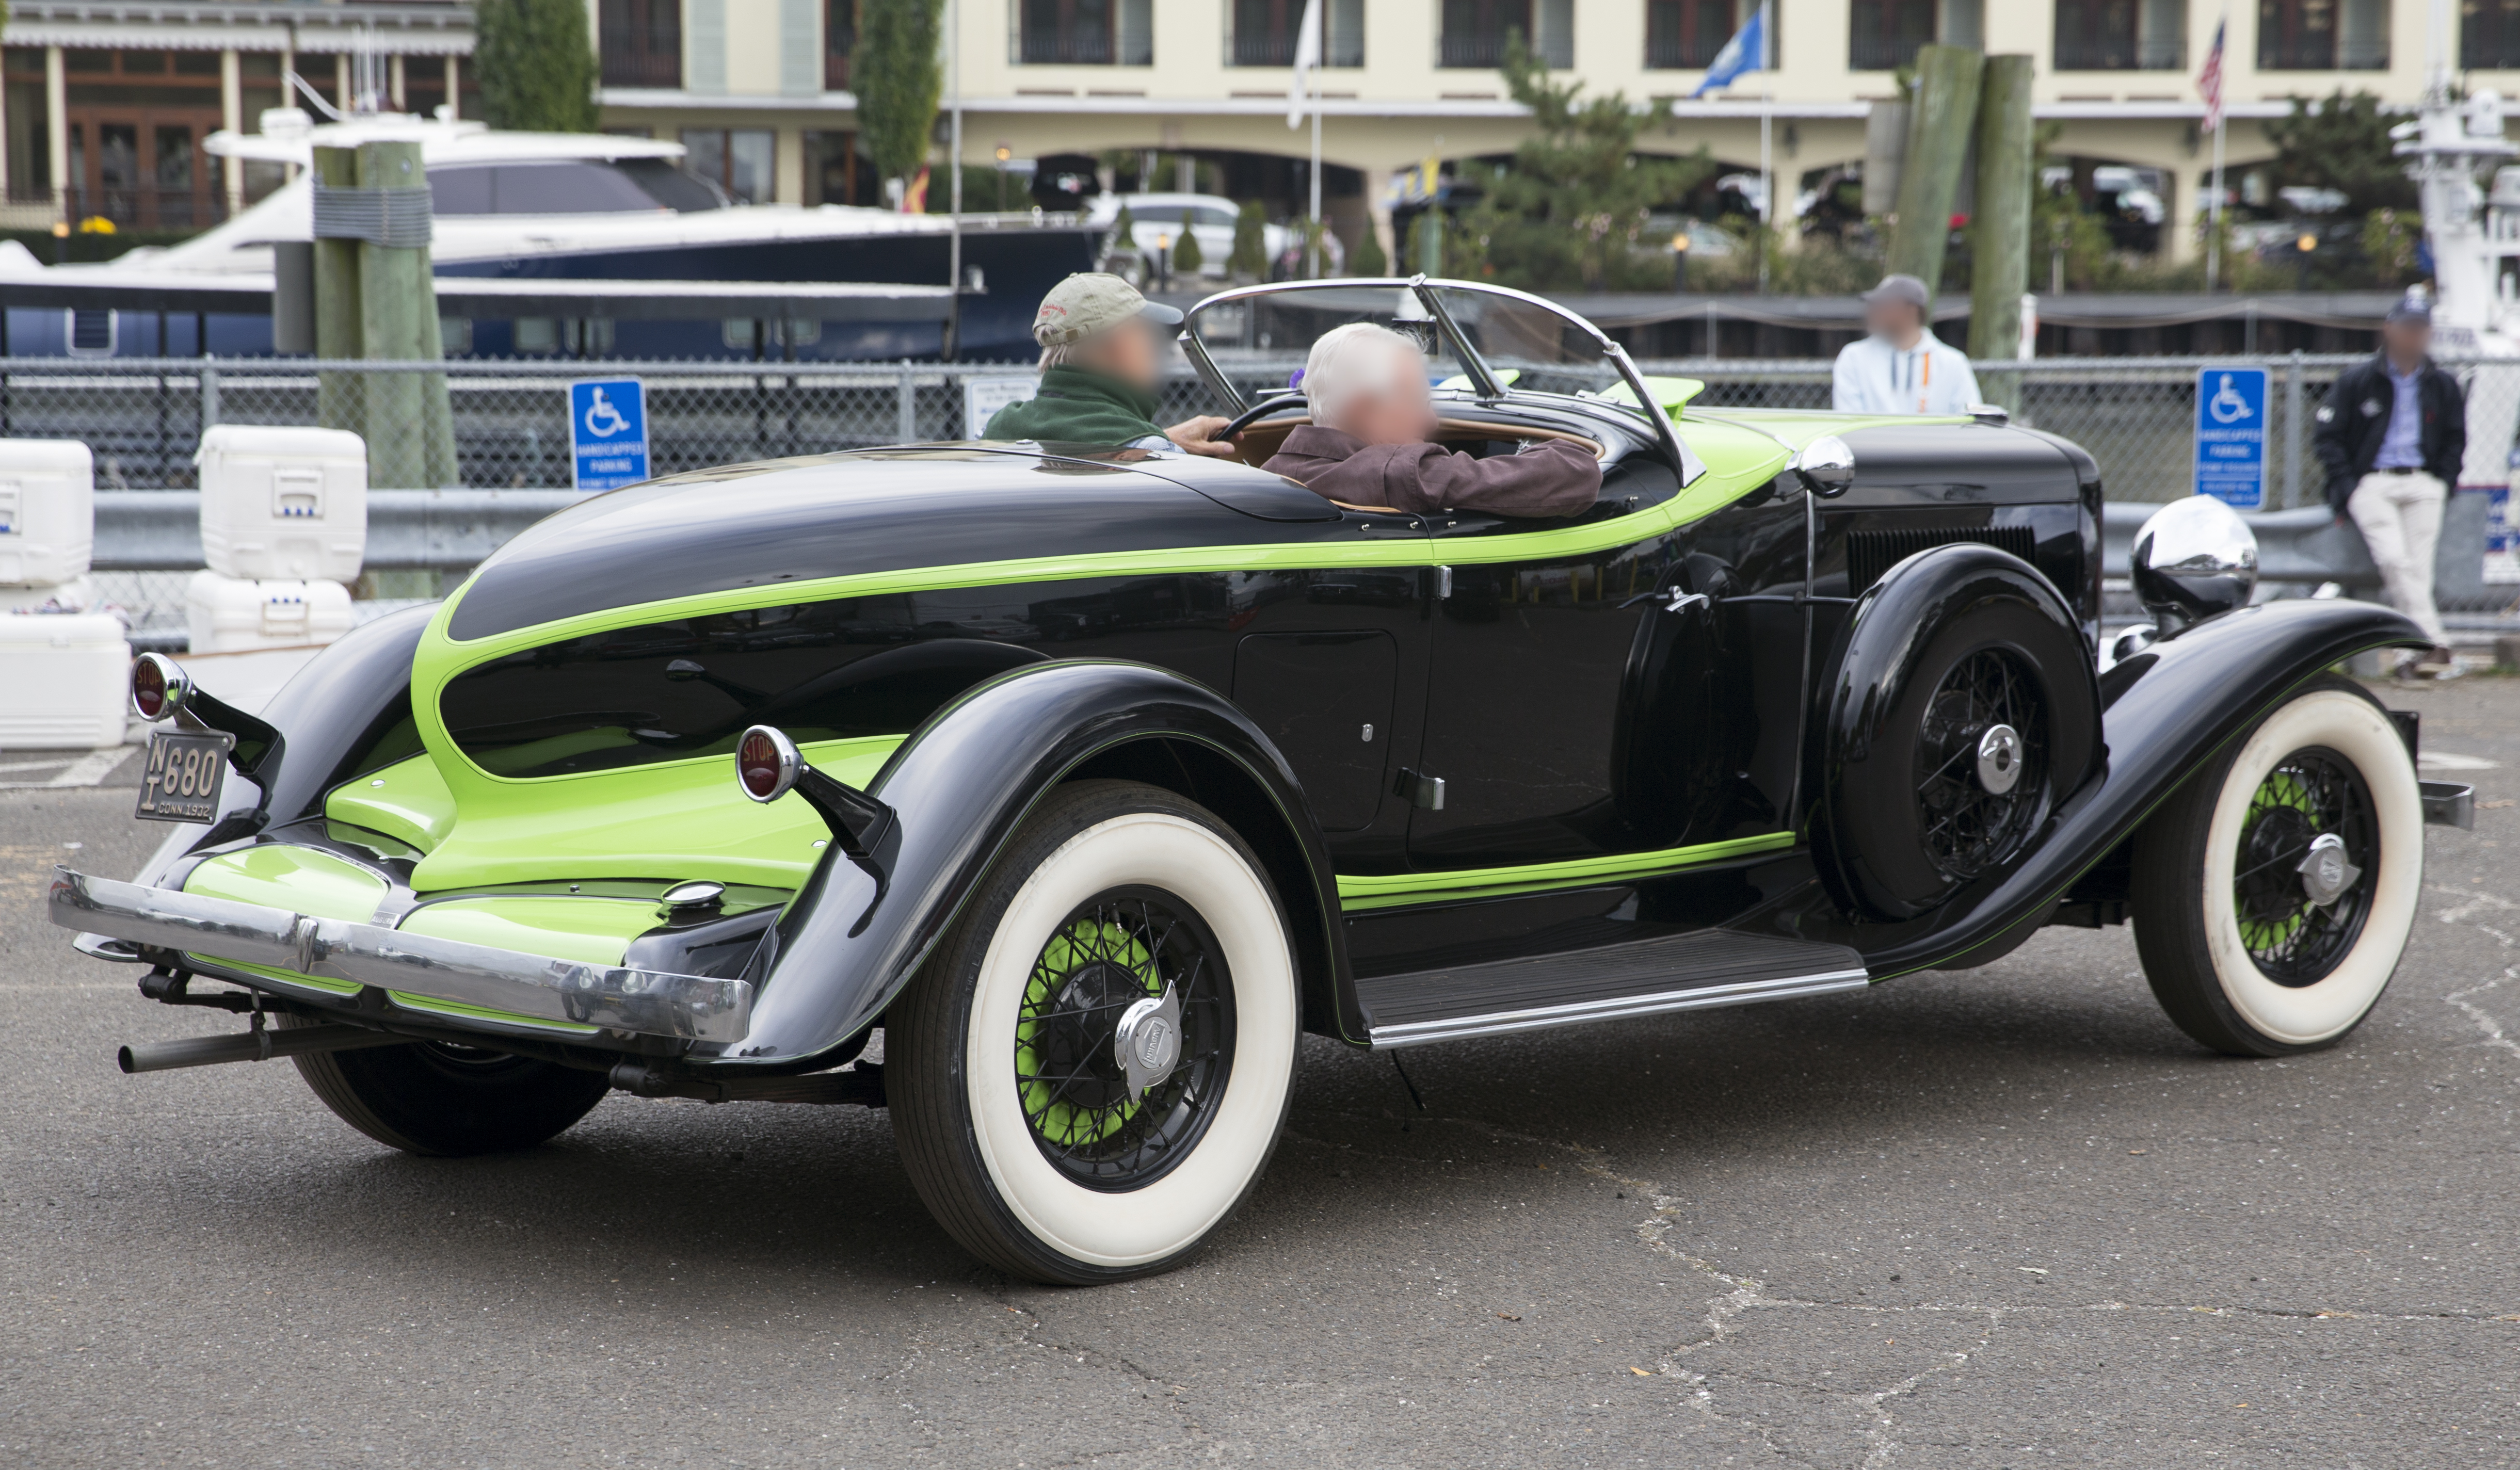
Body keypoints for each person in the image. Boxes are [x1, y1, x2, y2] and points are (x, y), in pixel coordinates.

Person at [1259, 322, 1600, 515]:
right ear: (1367, 410)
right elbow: (1578, 471)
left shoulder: (1271, 472)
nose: (1432, 420)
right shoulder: (1401, 474)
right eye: (1419, 403)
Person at [2313, 293, 2466, 680]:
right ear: (2389, 329)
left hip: (2422, 481)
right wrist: (2348, 486)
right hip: (2372, 483)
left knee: (2417, 569)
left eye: (2420, 328)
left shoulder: (2442, 385)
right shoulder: (2357, 381)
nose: (2414, 336)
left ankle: (2407, 659)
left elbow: (2455, 438)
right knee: (2395, 561)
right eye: (2407, 327)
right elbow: (2327, 436)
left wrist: (2442, 482)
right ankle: (2433, 643)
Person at [984, 273, 1236, 457]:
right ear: (1117, 345)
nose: (1153, 342)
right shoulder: (1153, 454)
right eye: (1144, 329)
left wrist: (1163, 437)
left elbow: (1075, 437)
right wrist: (1160, 444)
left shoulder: (996, 430)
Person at [1831, 273, 1982, 415]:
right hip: (1869, 444)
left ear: (1911, 310)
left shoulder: (1952, 363)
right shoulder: (1854, 357)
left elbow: (1968, 420)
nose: (1872, 312)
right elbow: (1849, 421)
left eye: (1883, 306)